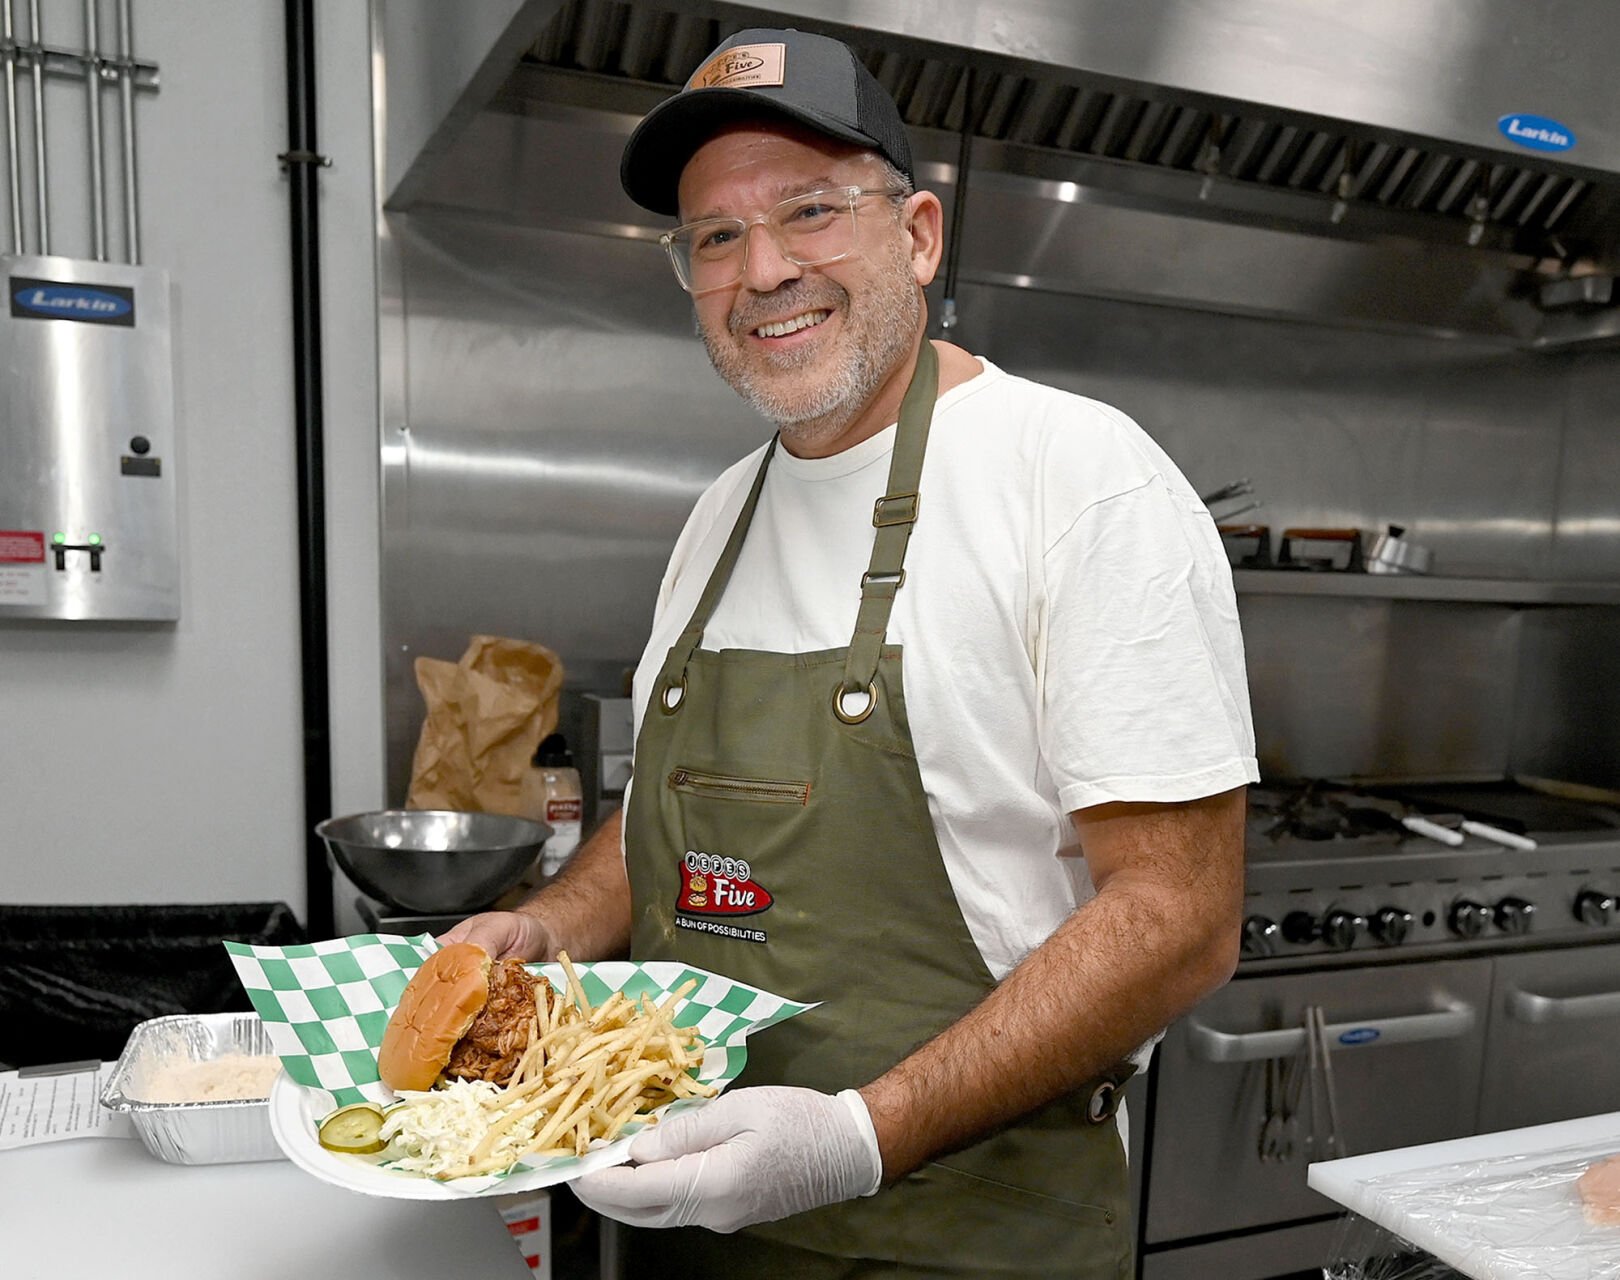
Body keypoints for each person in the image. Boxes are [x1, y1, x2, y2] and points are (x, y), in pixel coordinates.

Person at [444, 26, 1257, 1278]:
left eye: (811, 211)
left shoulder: (1077, 478)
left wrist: (855, 1139)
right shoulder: (721, 511)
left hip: (968, 1225)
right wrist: (546, 929)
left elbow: (1179, 916)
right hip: (687, 1211)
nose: (762, 269)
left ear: (919, 235)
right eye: (715, 236)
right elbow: (670, 821)